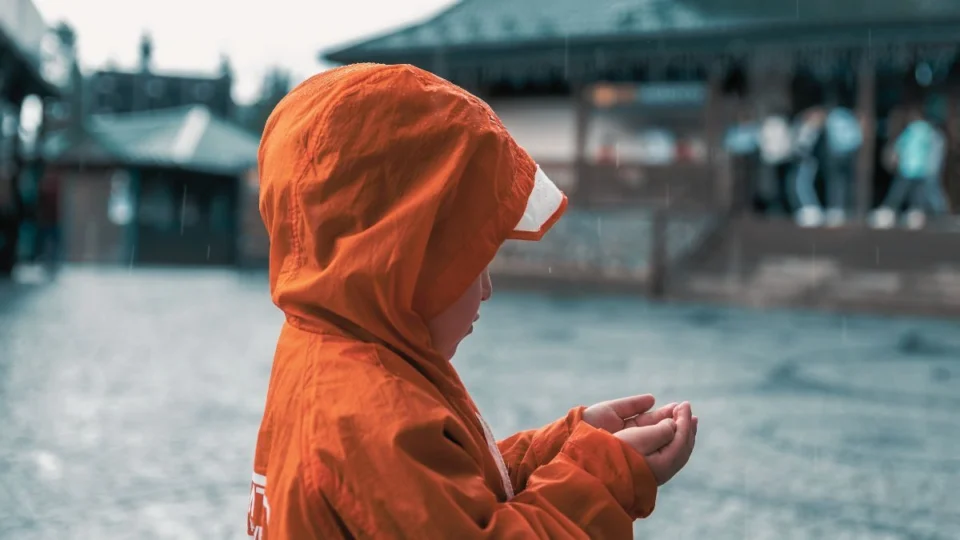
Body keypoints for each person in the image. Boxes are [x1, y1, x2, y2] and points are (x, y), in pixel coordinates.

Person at [247, 64, 698, 539]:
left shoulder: (330, 356)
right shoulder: (370, 416)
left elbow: (446, 500)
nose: (486, 288)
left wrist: (563, 447)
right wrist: (606, 475)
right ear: (406, 260)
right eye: (471, 262)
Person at [871, 106, 949, 229]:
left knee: (899, 192)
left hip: (908, 167)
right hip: (921, 168)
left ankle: (889, 212)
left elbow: (899, 147)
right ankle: (920, 215)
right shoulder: (928, 130)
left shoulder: (911, 130)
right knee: (918, 194)